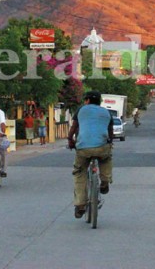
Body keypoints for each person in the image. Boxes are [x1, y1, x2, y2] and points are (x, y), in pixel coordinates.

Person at [67, 90, 114, 219]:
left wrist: (70, 140)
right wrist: (109, 142)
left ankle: (80, 205)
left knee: (79, 171)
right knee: (106, 159)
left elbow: (74, 127)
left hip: (83, 148)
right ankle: (105, 180)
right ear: (100, 102)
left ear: (87, 100)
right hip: (101, 148)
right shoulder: (106, 112)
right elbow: (110, 132)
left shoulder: (81, 110)